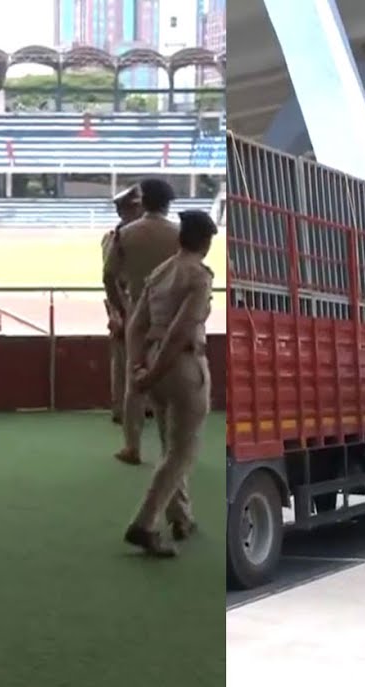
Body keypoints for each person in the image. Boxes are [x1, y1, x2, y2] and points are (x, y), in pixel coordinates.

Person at [121, 209, 217, 558]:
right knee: (182, 452)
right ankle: (144, 523)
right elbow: (181, 331)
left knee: (168, 448)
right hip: (183, 365)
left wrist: (138, 368)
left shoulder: (160, 273)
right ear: (206, 242)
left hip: (153, 360)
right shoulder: (198, 276)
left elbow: (136, 325)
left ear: (180, 238)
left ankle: (182, 516)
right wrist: (156, 371)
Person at [103, 177, 181, 465]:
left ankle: (132, 447)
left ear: (143, 201)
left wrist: (123, 309)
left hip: (138, 312)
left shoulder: (125, 235)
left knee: (134, 383)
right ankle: (169, 449)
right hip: (171, 315)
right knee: (171, 383)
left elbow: (109, 276)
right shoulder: (180, 234)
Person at [101, 185, 143, 424]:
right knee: (123, 358)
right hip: (123, 302)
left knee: (141, 356)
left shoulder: (133, 235)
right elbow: (111, 276)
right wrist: (117, 310)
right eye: (134, 208)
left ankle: (141, 406)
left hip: (136, 302)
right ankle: (121, 408)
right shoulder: (114, 238)